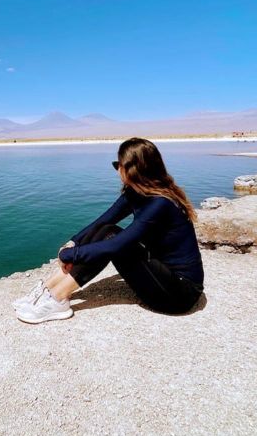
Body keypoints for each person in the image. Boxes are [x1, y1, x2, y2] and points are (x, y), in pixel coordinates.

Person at [13, 138, 205, 324]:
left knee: (111, 237)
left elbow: (117, 245)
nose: (116, 170)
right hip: (161, 274)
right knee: (106, 229)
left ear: (131, 169)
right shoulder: (135, 193)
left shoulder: (160, 203)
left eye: (118, 165)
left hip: (179, 293)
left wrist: (71, 255)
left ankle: (58, 298)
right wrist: (73, 242)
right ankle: (48, 289)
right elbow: (104, 220)